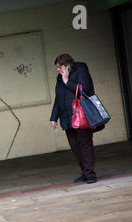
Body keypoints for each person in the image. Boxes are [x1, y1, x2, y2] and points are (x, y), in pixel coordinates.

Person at [50, 53, 103, 184]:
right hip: (67, 118)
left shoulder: (81, 70)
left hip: (81, 115)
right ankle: (85, 172)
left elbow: (85, 89)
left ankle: (90, 174)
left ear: (67, 65)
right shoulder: (59, 78)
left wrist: (67, 80)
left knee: (85, 145)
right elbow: (59, 98)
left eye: (59, 67)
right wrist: (53, 117)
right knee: (75, 147)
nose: (57, 70)